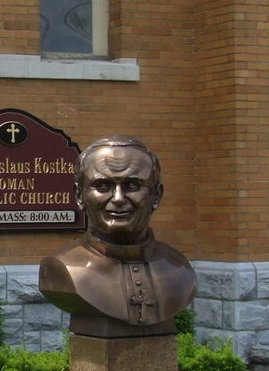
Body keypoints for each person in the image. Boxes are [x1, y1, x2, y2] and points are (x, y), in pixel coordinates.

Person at [38, 136, 195, 334]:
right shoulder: (61, 268)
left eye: (132, 185)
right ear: (79, 196)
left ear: (156, 196)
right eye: (103, 186)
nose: (118, 198)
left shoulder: (178, 268)